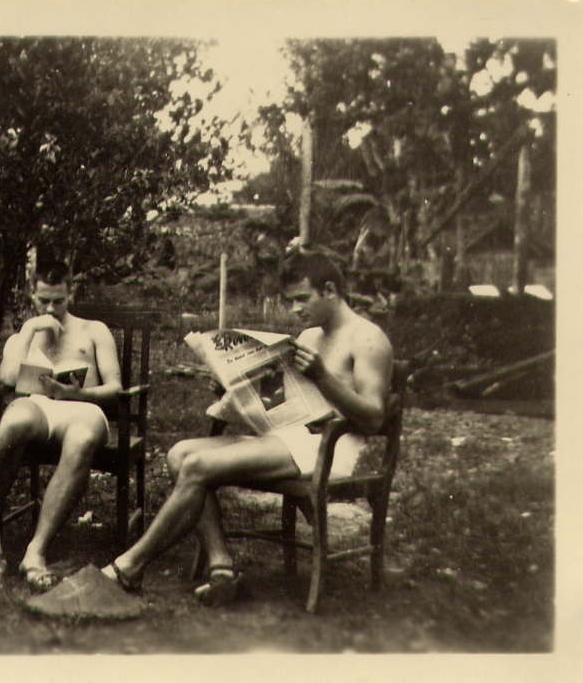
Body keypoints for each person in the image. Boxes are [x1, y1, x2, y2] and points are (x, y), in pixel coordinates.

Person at [92, 251, 393, 605]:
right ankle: (222, 567)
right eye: (290, 301)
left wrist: (323, 376)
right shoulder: (311, 336)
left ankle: (130, 566)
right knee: (179, 454)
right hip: (291, 437)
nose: (294, 309)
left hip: (332, 446)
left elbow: (374, 418)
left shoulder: (368, 339)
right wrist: (233, 389)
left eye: (301, 299)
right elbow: (287, 399)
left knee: (197, 466)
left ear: (330, 290)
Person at [0, 261, 123, 591]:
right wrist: (30, 330)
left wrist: (78, 394)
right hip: (38, 407)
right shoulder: (23, 336)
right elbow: (7, 378)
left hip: (84, 408)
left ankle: (36, 550)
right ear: (32, 294)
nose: (51, 308)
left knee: (83, 438)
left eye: (59, 300)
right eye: (43, 300)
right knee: (13, 422)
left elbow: (115, 388)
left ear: (71, 293)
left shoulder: (94, 331)